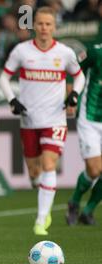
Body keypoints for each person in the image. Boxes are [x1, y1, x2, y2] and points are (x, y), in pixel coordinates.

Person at [0, 6, 86, 236]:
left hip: (55, 119)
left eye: (49, 24)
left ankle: (40, 219)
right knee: (34, 173)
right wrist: (12, 100)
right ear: (34, 25)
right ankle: (43, 197)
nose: (44, 28)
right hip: (29, 119)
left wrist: (74, 94)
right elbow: (4, 78)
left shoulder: (65, 53)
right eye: (40, 23)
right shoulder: (22, 51)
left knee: (49, 165)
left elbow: (79, 76)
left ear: (55, 26)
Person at [66, 42, 102, 226]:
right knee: (95, 169)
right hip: (90, 117)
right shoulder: (96, 52)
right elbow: (74, 71)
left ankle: (87, 211)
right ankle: (74, 201)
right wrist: (71, 96)